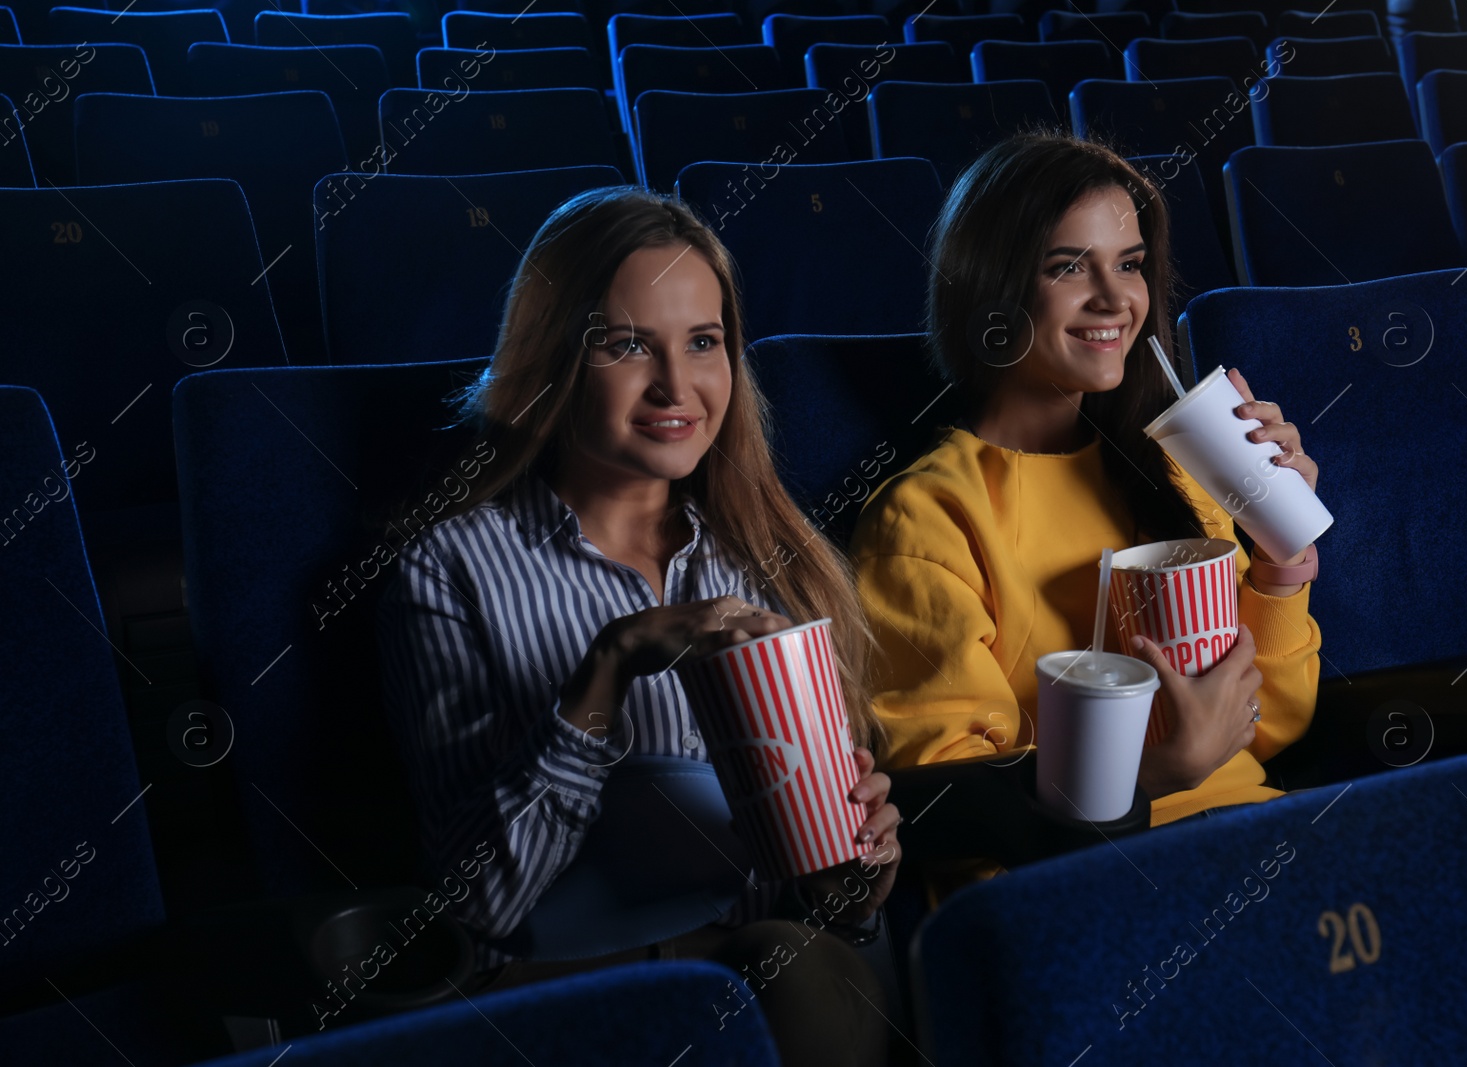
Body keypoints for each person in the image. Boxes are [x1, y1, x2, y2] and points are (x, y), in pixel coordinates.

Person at [376, 186, 901, 1066]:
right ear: (555, 360)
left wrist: (858, 875)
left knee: (813, 975)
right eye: (626, 345)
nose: (676, 385)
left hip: (757, 975)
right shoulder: (448, 567)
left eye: (703, 342)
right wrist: (606, 671)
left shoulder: (770, 559)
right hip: (561, 986)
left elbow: (814, 906)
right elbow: (481, 906)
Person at [849, 132, 1323, 860]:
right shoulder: (928, 516)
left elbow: (1266, 728)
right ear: (992, 288)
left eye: (1130, 265)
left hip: (1254, 832)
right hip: (1081, 878)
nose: (1115, 299)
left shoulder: (1176, 472)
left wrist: (1279, 550)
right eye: (1069, 266)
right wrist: (1160, 771)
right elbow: (951, 804)